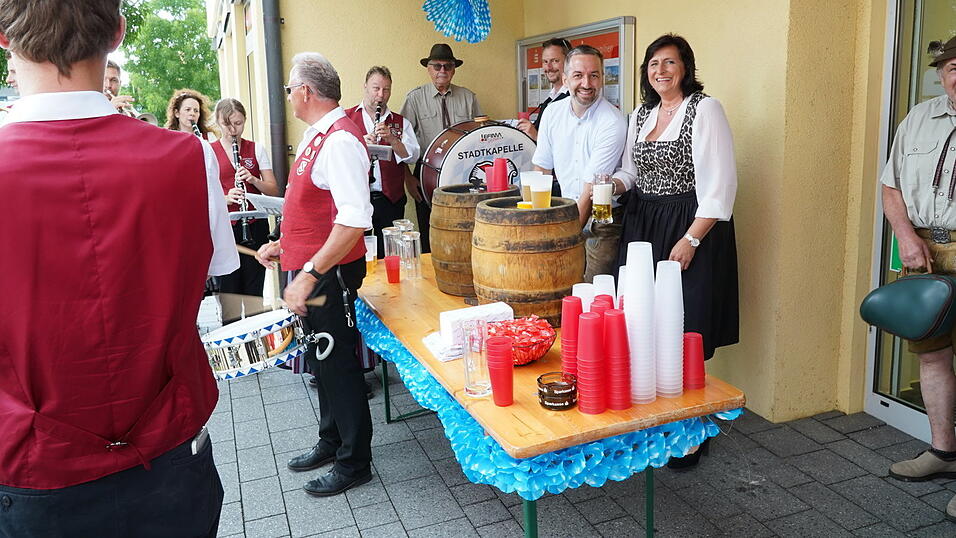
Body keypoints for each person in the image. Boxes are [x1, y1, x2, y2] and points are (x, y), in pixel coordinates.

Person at [0, 1, 239, 535]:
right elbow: (218, 266)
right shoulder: (187, 157)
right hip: (168, 450)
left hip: (34, 467)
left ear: (3, 39)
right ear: (117, 33)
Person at [613, 34, 739, 467]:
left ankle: (691, 433)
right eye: (653, 63)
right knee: (646, 322)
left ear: (685, 67)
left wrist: (691, 240)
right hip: (643, 223)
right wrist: (613, 185)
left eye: (669, 62)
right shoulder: (641, 114)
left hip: (689, 224)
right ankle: (653, 419)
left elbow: (720, 187)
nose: (660, 70)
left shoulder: (706, 110)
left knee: (688, 326)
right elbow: (632, 169)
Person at [256, 52, 374, 497]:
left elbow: (353, 220)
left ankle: (354, 461)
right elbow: (316, 213)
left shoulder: (340, 140)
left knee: (338, 365)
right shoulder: (319, 136)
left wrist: (307, 273)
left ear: (305, 91)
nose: (288, 95)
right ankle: (331, 440)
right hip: (314, 269)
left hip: (330, 276)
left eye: (290, 88)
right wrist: (284, 244)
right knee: (321, 363)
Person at [881, 35, 956, 519]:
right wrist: (906, 237)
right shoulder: (918, 118)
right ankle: (944, 452)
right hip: (923, 251)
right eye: (952, 67)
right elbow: (891, 186)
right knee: (932, 355)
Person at [532, 44, 626, 281]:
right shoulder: (552, 113)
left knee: (590, 291)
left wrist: (564, 240)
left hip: (602, 220)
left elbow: (590, 190)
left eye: (594, 75)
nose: (586, 83)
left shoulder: (612, 121)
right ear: (565, 79)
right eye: (578, 75)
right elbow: (541, 170)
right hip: (564, 212)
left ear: (602, 78)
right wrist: (537, 224)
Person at [401, 43, 482, 253]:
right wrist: (407, 178)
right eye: (437, 66)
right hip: (426, 172)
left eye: (447, 66)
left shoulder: (468, 97)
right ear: (428, 69)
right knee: (430, 230)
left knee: (465, 227)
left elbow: (480, 136)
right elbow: (400, 143)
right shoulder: (415, 99)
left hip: (463, 173)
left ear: (454, 69)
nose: (442, 71)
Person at [345, 66, 420, 259]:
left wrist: (394, 140)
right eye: (376, 88)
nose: (381, 95)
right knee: (357, 255)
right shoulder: (346, 118)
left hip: (390, 200)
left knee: (389, 255)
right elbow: (338, 155)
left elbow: (412, 156)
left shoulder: (400, 122)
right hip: (357, 198)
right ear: (365, 87)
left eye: (386, 89)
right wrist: (361, 142)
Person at [212, 97, 280, 295]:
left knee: (254, 291)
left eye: (238, 123)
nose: (233, 130)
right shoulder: (209, 151)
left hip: (255, 226)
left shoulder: (256, 148)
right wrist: (225, 198)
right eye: (227, 124)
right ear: (218, 121)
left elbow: (273, 190)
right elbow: (203, 195)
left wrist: (253, 180)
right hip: (226, 228)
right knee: (229, 292)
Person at [517, 37, 570, 142]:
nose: (549, 67)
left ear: (569, 62)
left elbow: (568, 144)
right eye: (545, 61)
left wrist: (536, 136)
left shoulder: (574, 99)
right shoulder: (549, 100)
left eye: (555, 61)